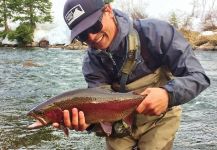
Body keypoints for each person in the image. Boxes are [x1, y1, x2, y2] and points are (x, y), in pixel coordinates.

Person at [29, 0, 210, 149]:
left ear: (108, 10)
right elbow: (100, 107)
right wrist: (89, 124)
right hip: (119, 125)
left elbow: (198, 76)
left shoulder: (156, 33)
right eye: (83, 35)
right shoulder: (92, 63)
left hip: (160, 119)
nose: (91, 37)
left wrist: (168, 94)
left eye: (94, 25)